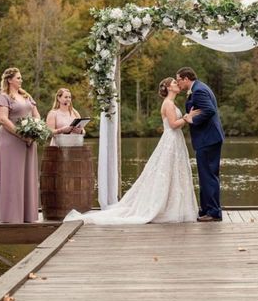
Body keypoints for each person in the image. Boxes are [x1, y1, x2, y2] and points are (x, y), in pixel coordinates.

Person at [64, 77, 201, 224]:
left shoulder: (171, 103)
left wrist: (187, 118)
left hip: (175, 141)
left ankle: (173, 206)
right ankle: (164, 207)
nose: (177, 84)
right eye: (174, 83)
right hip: (171, 140)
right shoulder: (167, 104)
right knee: (167, 172)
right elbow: (173, 124)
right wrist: (188, 118)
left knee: (173, 173)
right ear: (168, 87)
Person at [176, 67, 225, 222]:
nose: (178, 83)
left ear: (185, 78)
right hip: (208, 138)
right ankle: (206, 210)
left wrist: (192, 120)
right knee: (206, 175)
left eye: (178, 79)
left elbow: (209, 110)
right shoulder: (199, 87)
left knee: (208, 176)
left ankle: (213, 212)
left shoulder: (198, 91)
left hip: (208, 139)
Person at [0, 68, 40, 223]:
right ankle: (10, 215)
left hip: (29, 140)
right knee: (12, 175)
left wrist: (35, 130)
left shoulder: (26, 96)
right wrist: (21, 134)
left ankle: (27, 214)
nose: (21, 80)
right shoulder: (3, 97)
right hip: (11, 139)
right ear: (9, 80)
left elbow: (36, 115)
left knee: (27, 175)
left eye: (21, 77)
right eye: (18, 78)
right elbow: (3, 119)